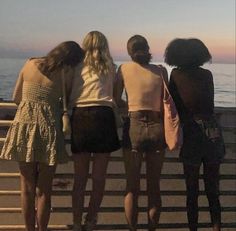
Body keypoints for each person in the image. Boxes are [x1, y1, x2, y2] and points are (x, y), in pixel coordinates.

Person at [0, 41, 84, 231]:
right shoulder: (67, 73)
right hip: (49, 129)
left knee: (26, 188)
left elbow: (16, 97)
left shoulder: (29, 63)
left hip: (24, 127)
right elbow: (70, 101)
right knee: (44, 191)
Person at [164, 38, 225, 231]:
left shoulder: (175, 75)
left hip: (190, 131)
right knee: (212, 188)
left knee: (192, 190)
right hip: (212, 130)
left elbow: (174, 106)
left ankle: (193, 228)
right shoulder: (207, 75)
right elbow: (210, 104)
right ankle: (216, 227)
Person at [114, 35, 168, 231]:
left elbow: (115, 98)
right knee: (154, 187)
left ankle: (132, 229)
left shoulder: (123, 69)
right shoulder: (161, 71)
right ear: (148, 48)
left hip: (134, 126)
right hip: (157, 127)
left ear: (130, 51)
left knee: (132, 187)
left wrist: (132, 105)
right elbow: (165, 103)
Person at [68, 31, 120, 231]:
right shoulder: (111, 67)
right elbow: (116, 98)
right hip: (104, 117)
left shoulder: (75, 67)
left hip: (81, 116)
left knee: (79, 178)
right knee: (99, 178)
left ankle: (75, 222)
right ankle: (91, 220)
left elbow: (68, 91)